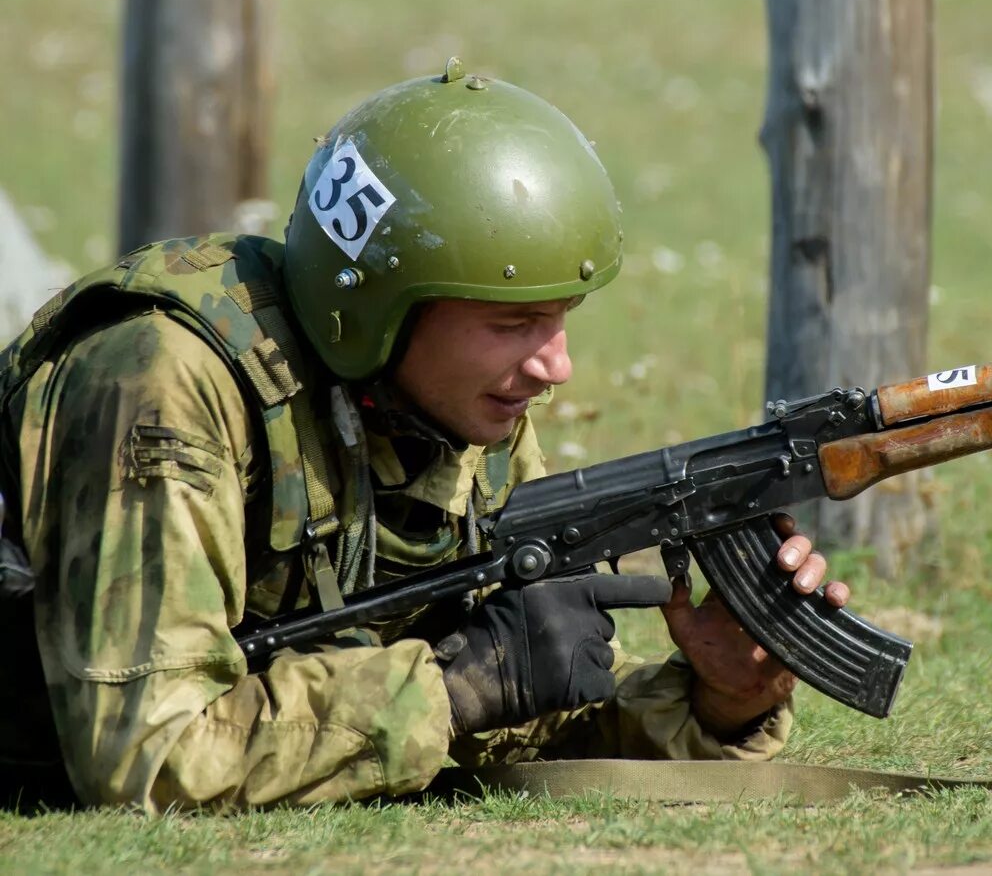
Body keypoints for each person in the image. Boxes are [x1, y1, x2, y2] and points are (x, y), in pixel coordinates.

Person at [0, 59, 849, 811]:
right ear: (379, 309)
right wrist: (451, 686)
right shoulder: (163, 381)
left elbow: (501, 716)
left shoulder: (449, 405)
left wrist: (718, 698)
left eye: (562, 318)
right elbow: (146, 757)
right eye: (513, 322)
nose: (557, 366)